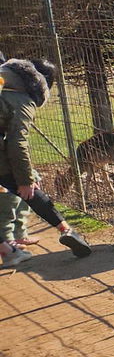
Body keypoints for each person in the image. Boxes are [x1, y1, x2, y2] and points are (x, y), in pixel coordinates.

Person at [0, 56, 90, 267]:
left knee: (24, 181)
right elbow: (16, 143)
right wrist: (24, 179)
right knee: (25, 184)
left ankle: (11, 248)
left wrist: (26, 176)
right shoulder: (21, 99)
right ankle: (65, 231)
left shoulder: (6, 86)